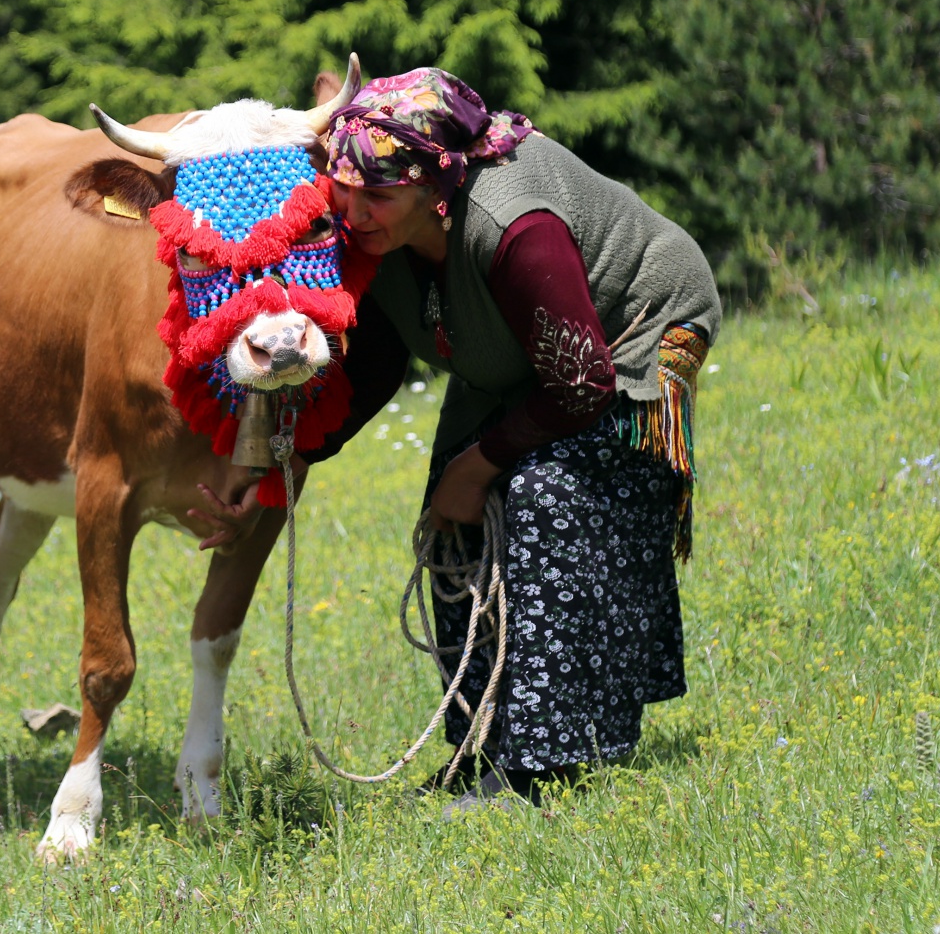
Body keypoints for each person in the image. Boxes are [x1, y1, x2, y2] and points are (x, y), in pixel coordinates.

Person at [299, 67, 723, 805]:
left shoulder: (512, 224)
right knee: (451, 521)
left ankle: (546, 764)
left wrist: (478, 467)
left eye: (377, 194)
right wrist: (298, 453)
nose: (354, 210)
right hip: (521, 345)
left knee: (545, 494)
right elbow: (373, 362)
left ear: (436, 187)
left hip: (634, 326)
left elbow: (584, 383)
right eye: (345, 189)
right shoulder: (376, 237)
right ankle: (480, 745)